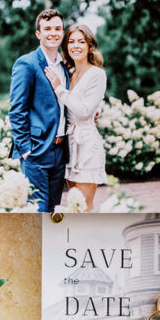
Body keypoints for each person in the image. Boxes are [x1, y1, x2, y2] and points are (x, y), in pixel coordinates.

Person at [8, 9, 70, 212]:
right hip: (36, 150)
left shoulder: (64, 67)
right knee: (37, 211)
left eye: (58, 28)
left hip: (60, 150)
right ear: (38, 34)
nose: (53, 33)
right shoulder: (27, 63)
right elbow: (17, 110)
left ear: (63, 32)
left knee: (52, 211)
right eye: (47, 29)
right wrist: (26, 150)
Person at [45, 24, 107, 211]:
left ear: (90, 46)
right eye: (71, 41)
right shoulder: (67, 73)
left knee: (84, 207)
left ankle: (89, 240)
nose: (76, 46)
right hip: (69, 146)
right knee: (74, 206)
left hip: (87, 145)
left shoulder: (97, 74)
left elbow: (84, 111)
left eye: (81, 41)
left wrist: (59, 89)